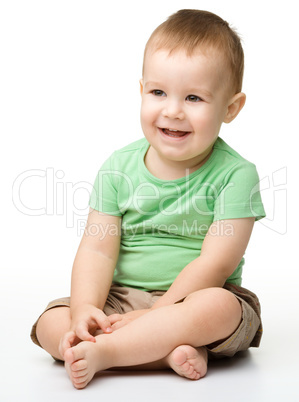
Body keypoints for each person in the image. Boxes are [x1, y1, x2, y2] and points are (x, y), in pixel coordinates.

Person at [31, 9, 266, 389]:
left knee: (219, 309)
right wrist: (85, 308)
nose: (172, 110)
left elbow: (215, 263)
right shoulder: (118, 167)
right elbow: (97, 250)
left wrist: (158, 314)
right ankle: (160, 351)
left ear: (230, 108)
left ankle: (110, 352)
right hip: (121, 299)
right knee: (51, 322)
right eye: (158, 92)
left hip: (196, 301)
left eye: (193, 97)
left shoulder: (236, 175)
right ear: (141, 91)